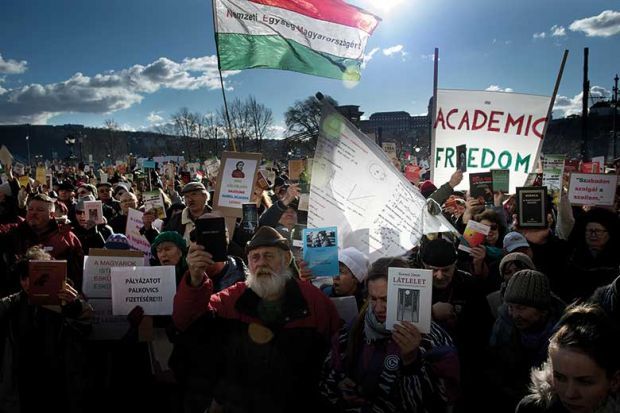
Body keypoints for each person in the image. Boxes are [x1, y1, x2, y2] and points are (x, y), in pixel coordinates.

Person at [172, 226, 339, 413]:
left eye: (269, 256)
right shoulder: (234, 297)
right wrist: (195, 279)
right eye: (255, 257)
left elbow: (337, 353)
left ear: (286, 259)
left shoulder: (315, 301)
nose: (261, 263)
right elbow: (187, 320)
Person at [320, 256, 460, 413]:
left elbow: (439, 402)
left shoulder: (432, 339)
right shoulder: (353, 330)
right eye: (373, 299)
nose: (379, 308)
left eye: (386, 300)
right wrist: (339, 385)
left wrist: (411, 363)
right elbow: (328, 376)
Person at [0, 246, 92, 413]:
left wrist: (75, 306)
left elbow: (86, 326)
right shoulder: (13, 304)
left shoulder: (64, 300)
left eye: (34, 277)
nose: (28, 283)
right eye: (24, 278)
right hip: (24, 384)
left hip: (58, 382)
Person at [485, 270, 566, 413]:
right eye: (511, 307)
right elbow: (494, 365)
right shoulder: (504, 324)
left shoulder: (564, 333)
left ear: (542, 310)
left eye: (522, 308)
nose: (515, 315)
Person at [516, 304, 620, 413]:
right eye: (560, 377)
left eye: (584, 382)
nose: (569, 394)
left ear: (614, 381)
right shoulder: (531, 410)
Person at [486, 252, 536, 319]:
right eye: (508, 272)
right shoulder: (493, 300)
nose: (514, 275)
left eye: (518, 270)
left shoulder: (545, 294)